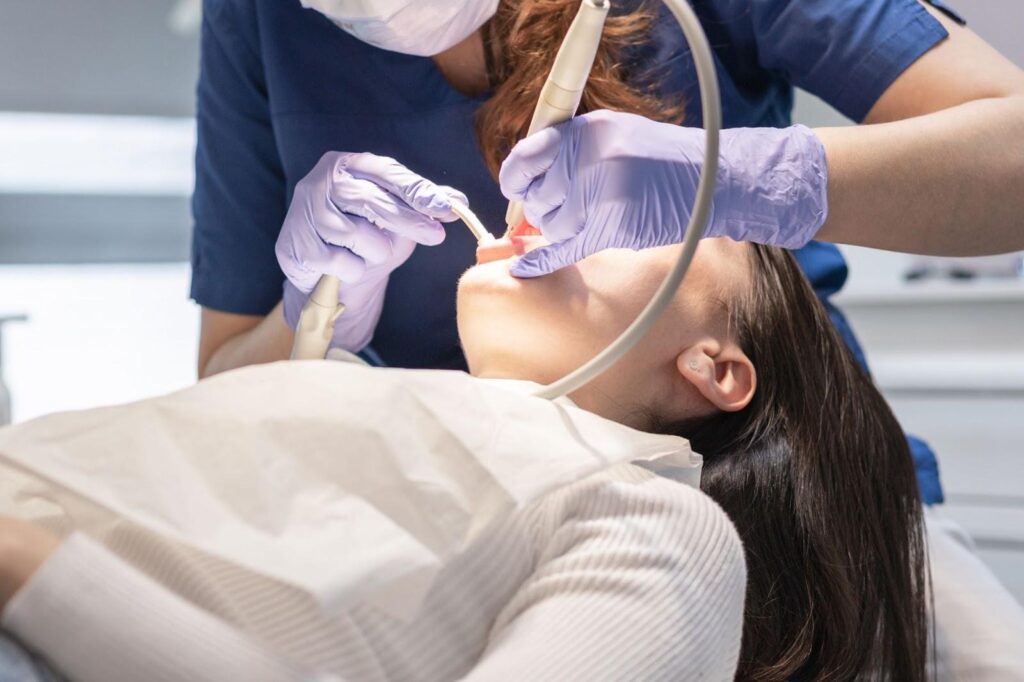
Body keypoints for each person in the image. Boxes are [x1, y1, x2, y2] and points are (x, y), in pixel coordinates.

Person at [1, 237, 930, 680]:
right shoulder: (377, 399)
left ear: (714, 368)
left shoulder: (664, 530)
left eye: (643, 218)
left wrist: (23, 565)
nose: (561, 208)